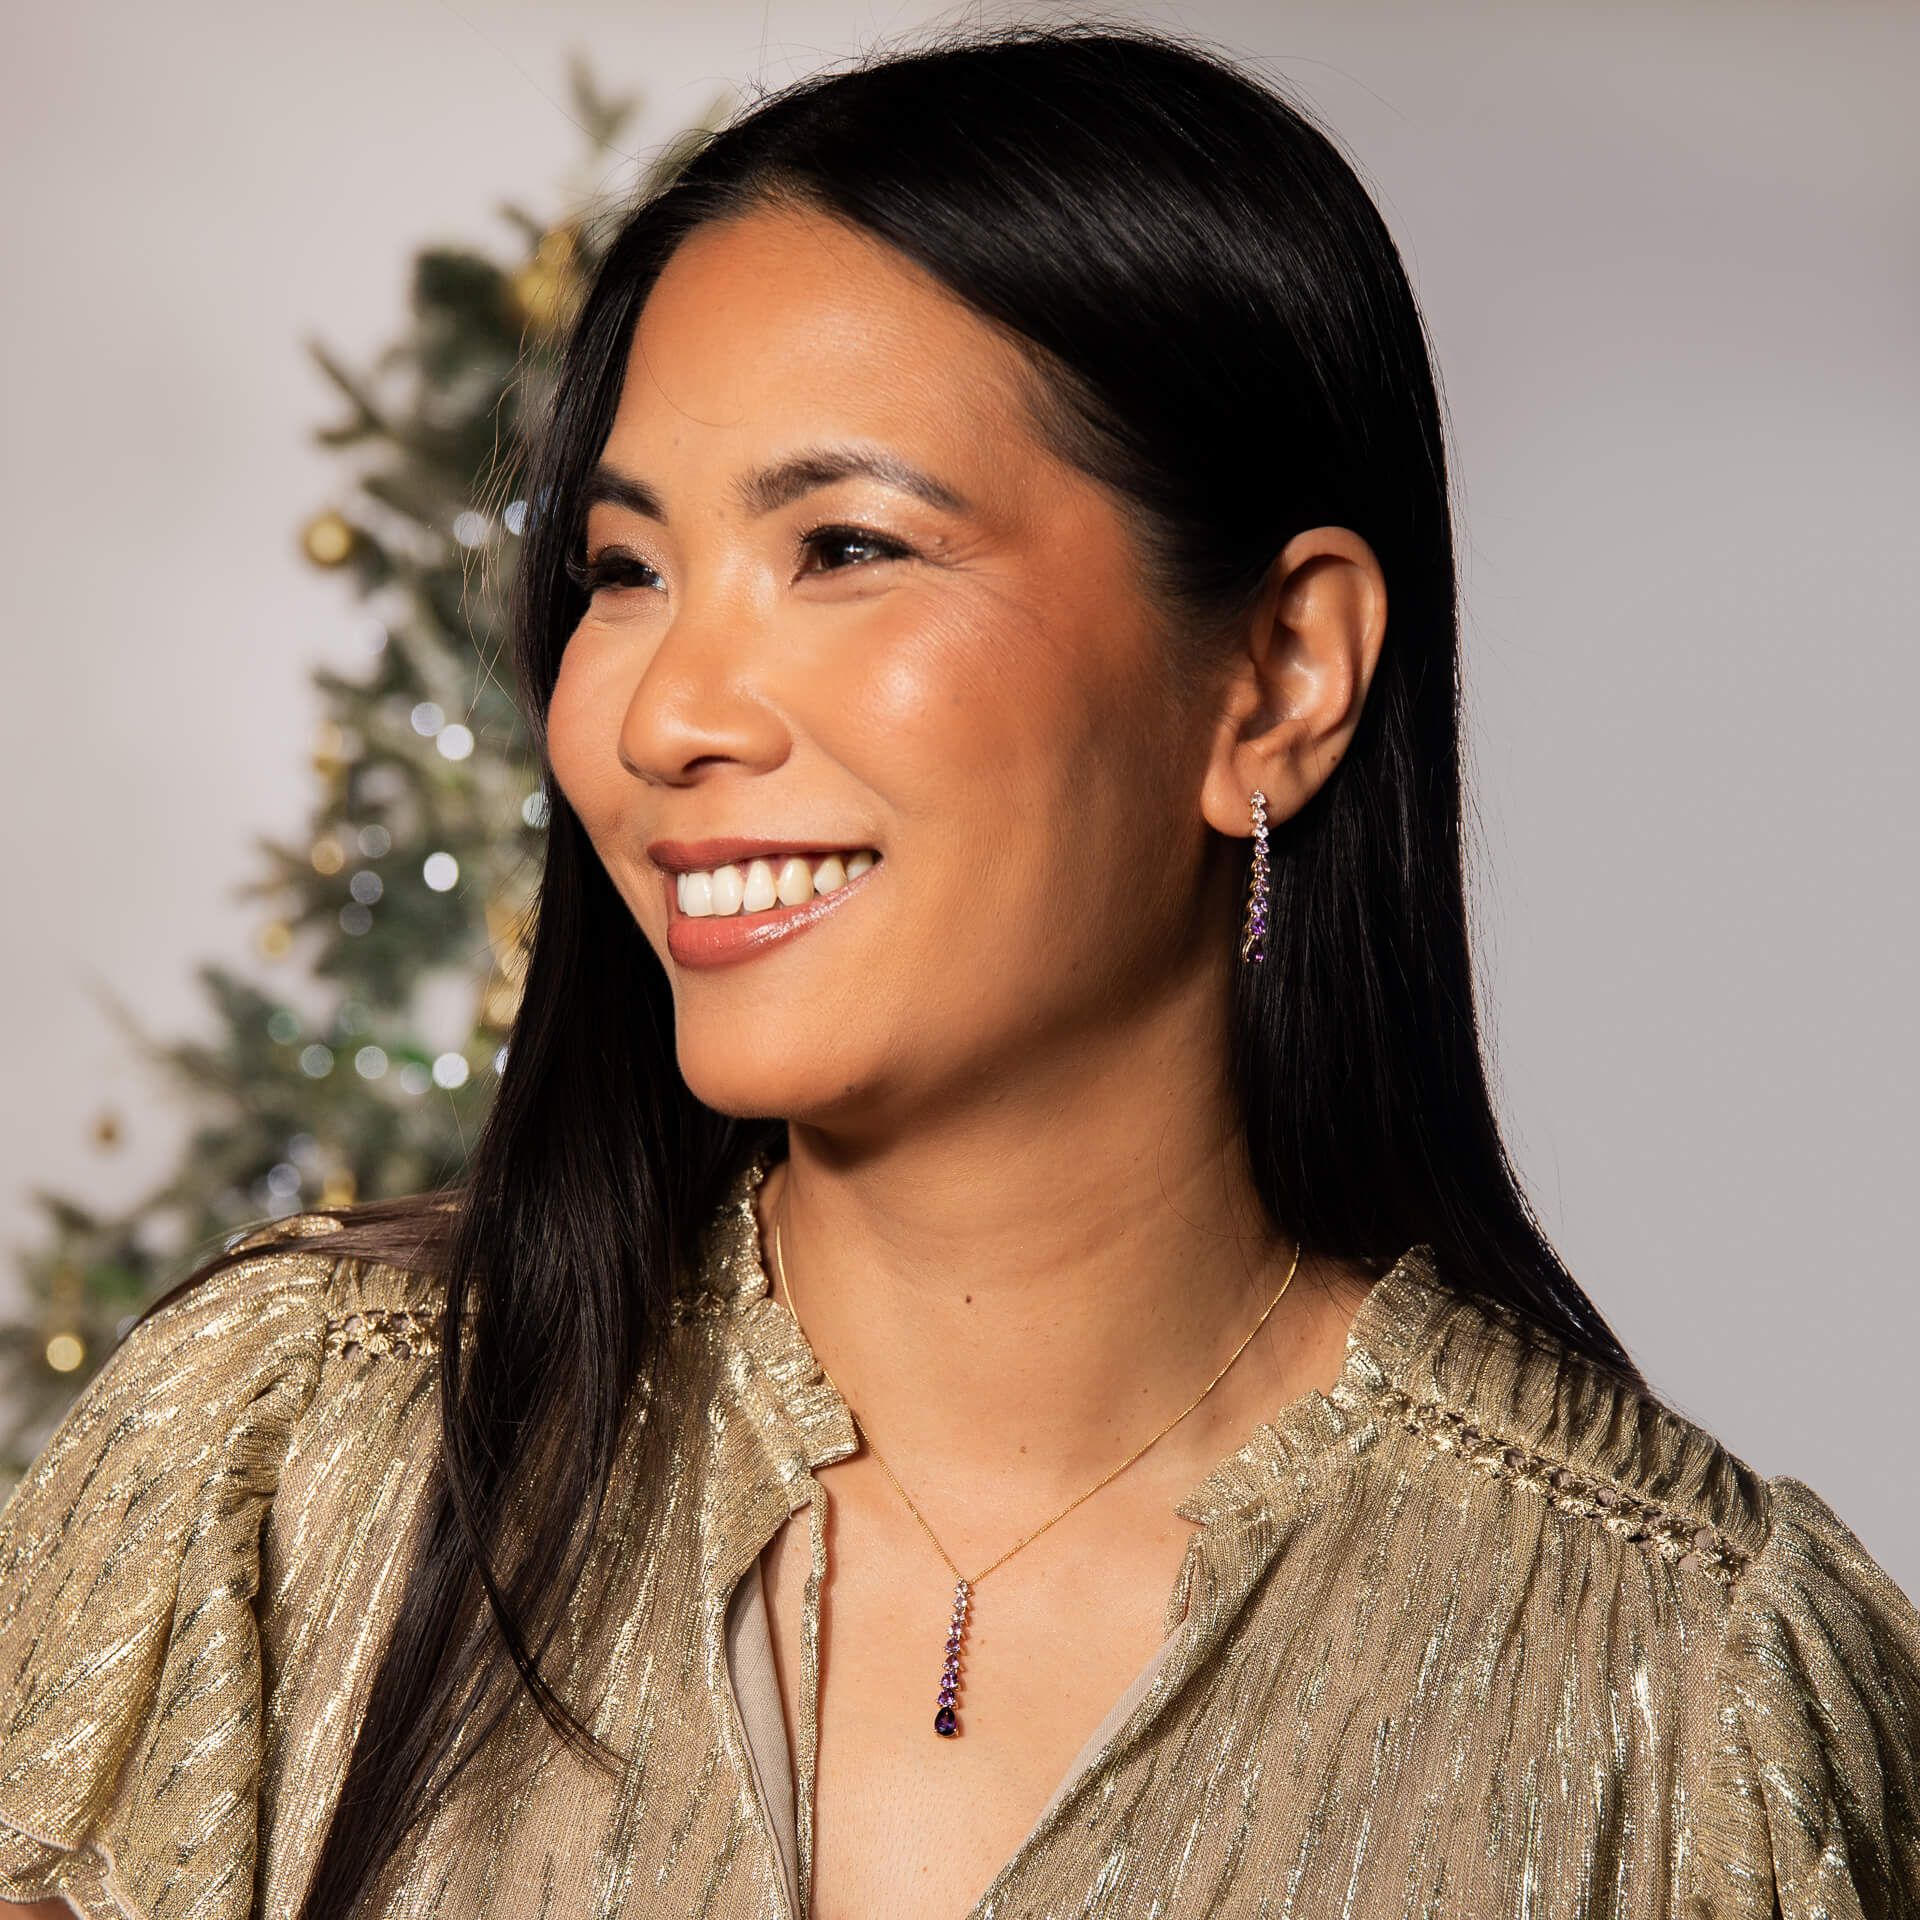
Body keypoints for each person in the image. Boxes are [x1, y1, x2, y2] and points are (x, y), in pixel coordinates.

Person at [2, 20, 1915, 1920]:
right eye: (622, 569)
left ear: (1281, 677)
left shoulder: (1692, 1697)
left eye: (842, 545)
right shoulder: (279, 1462)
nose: (662, 714)